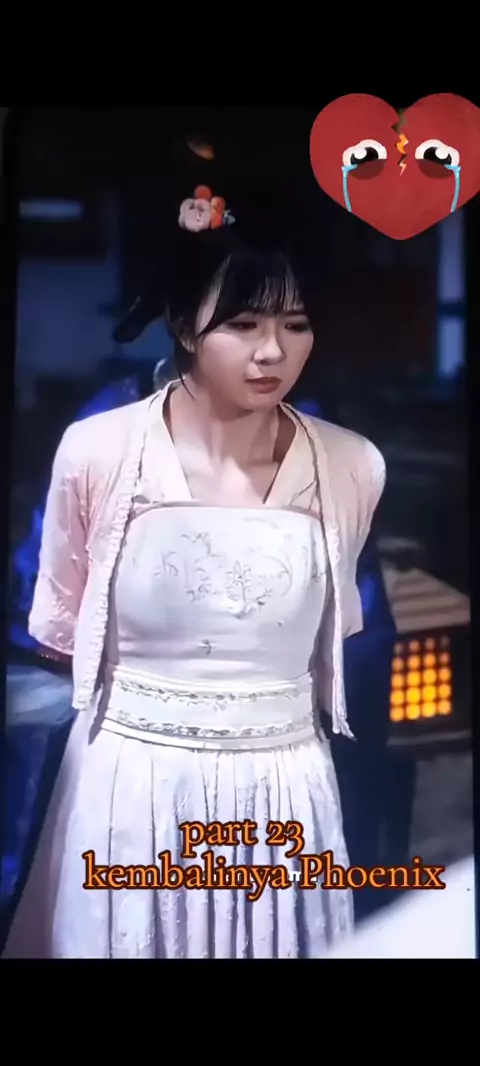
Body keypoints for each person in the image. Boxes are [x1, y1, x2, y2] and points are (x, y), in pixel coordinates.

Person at [3, 184, 386, 959]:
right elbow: (58, 625)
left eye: (296, 324)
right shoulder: (98, 451)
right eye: (243, 324)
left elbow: (343, 626)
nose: (273, 351)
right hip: (130, 782)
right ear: (183, 324)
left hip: (285, 788)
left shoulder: (353, 465)